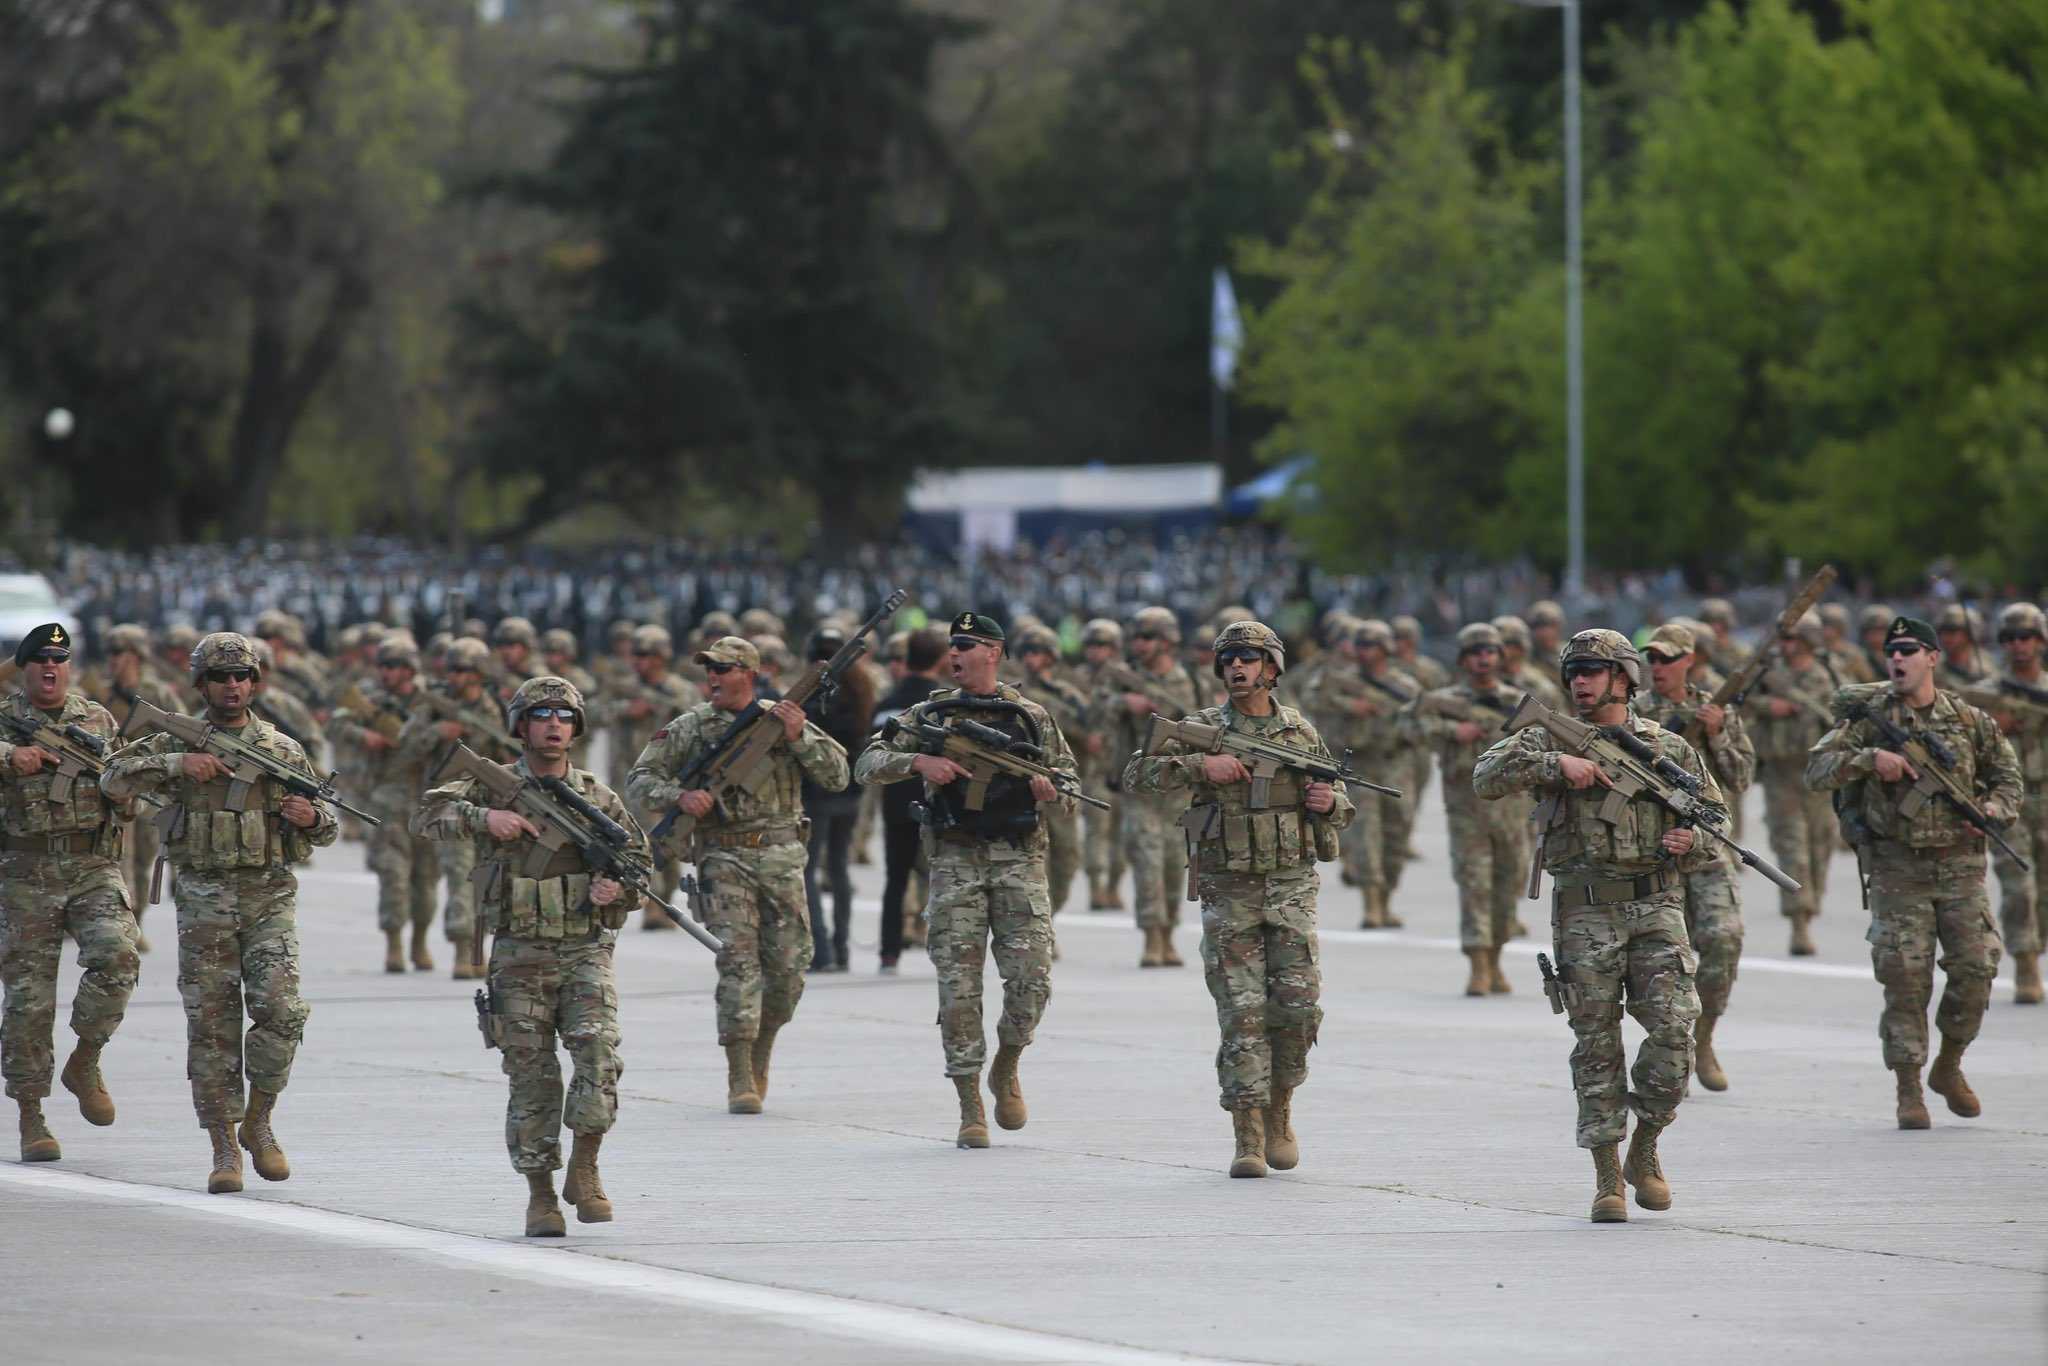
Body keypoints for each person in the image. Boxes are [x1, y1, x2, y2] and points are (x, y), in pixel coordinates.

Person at [1474, 629, 1718, 1223]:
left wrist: (1692, 841)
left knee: (1675, 1031)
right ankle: (1607, 1176)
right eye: (1573, 673)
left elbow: (1716, 818)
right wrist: (1556, 764)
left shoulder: (1667, 748)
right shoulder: (1547, 737)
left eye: (1592, 671)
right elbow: (1485, 776)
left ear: (1624, 679)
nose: (1579, 682)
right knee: (1596, 1044)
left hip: (1657, 905)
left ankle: (1646, 1143)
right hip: (1585, 910)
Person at [101, 632, 334, 1194]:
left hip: (268, 896)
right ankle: (223, 1145)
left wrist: (311, 819)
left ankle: (259, 1119)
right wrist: (179, 763)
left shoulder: (280, 749)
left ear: (255, 683)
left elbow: (327, 825)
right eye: (220, 677)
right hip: (204, 899)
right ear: (201, 685)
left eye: (241, 676)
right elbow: (111, 778)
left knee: (282, 1011)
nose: (232, 686)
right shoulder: (172, 740)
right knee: (211, 1024)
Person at [412, 676, 642, 1236]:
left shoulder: (599, 799)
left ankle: (585, 1165)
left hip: (586, 949)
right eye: (541, 715)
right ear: (521, 726)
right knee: (531, 1076)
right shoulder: (491, 786)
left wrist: (617, 890)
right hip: (518, 954)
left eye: (563, 716)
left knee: (599, 1056)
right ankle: (541, 1195)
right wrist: (484, 819)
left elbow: (639, 866)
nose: (553, 725)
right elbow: (426, 816)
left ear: (576, 728)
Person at [1123, 621, 1351, 1178]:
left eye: (1248, 658)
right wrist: (1200, 765)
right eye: (1228, 660)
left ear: (1272, 667)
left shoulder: (1299, 731)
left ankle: (1280, 1111)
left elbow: (1339, 795)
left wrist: (1329, 802)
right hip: (1229, 890)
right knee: (1241, 1014)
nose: (1236, 667)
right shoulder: (1202, 728)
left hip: (1291, 888)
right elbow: (1136, 773)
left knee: (1298, 1008)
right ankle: (1247, 1135)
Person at [854, 612, 1074, 1149]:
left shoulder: (1031, 716)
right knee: (958, 990)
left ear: (993, 652)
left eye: (966, 644)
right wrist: (918, 762)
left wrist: (1052, 790)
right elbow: (867, 762)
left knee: (1031, 983)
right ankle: (970, 1104)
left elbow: (1069, 785)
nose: (954, 652)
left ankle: (1008, 1062)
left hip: (1019, 862)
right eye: (952, 644)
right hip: (955, 863)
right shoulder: (929, 713)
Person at [1807, 615, 2021, 1129]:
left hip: (1960, 869)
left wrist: (1993, 810)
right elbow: (1816, 770)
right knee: (1904, 979)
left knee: (1977, 968)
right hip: (1897, 869)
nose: (1898, 658)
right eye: (1891, 651)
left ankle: (1949, 1064)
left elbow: (2007, 778)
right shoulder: (1868, 718)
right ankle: (1908, 1088)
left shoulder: (1968, 720)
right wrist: (1869, 759)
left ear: (1932, 658)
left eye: (1908, 649)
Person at [628, 636, 848, 1113]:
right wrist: (679, 797)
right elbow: (640, 780)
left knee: (788, 970)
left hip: (782, 860)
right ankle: (740, 1070)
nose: (713, 676)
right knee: (738, 963)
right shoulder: (690, 727)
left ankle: (762, 1043)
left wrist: (800, 736)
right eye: (709, 668)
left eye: (723, 668)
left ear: (750, 673)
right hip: (722, 858)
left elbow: (838, 776)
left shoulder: (782, 719)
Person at [0, 624, 138, 1163]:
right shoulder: (6, 718)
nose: (50, 668)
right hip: (24, 869)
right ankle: (30, 1113)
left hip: (91, 865)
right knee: (29, 999)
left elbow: (128, 791)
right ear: (24, 668)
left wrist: (125, 792)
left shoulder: (96, 719)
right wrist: (10, 757)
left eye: (59, 659)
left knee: (118, 954)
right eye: (40, 660)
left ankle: (86, 1057)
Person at [1633, 623, 1755, 1090]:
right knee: (1665, 962)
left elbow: (1741, 778)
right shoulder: (1634, 712)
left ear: (1690, 660)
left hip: (1707, 847)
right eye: (1652, 659)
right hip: (1654, 850)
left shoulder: (1716, 709)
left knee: (1724, 939)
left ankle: (1703, 1038)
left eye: (1667, 659)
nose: (1657, 667)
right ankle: (1673, 1049)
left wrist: (1718, 733)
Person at [1403, 624, 1528, 994]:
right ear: (1462, 659)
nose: (1483, 659)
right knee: (1474, 884)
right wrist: (1450, 731)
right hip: (1466, 810)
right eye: (1475, 652)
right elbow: (1407, 724)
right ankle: (1478, 964)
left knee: (1509, 885)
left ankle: (1497, 955)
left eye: (1490, 651)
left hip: (1512, 810)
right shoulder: (1442, 701)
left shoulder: (1519, 702)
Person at [398, 636, 518, 968]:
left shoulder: (497, 710)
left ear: (479, 672)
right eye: (451, 669)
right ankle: (462, 950)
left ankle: (478, 948)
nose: (453, 676)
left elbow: (512, 755)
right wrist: (437, 733)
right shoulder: (433, 707)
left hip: (490, 807)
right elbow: (404, 749)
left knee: (486, 880)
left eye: (462, 669)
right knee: (458, 874)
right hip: (449, 805)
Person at [329, 633, 442, 975]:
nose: (385, 672)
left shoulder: (434, 700)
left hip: (429, 799)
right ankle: (394, 943)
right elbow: (336, 723)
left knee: (426, 878)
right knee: (393, 875)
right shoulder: (370, 699)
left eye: (393, 665)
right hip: (387, 797)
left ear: (409, 669)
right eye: (382, 665)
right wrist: (365, 735)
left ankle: (419, 941)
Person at [1094, 606, 1199, 967]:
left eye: (1147, 637)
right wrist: (1123, 702)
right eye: (1135, 637)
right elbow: (1094, 711)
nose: (1139, 644)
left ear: (1167, 641)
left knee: (1174, 864)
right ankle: (1152, 936)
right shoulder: (1122, 678)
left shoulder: (1191, 680)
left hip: (1179, 787)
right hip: (1139, 785)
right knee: (1147, 861)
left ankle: (1169, 934)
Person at [83, 622, 183, 951]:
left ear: (136, 655)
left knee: (143, 860)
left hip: (151, 792)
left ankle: (136, 921)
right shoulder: (97, 692)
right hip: (114, 788)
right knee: (117, 859)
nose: (112, 659)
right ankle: (120, 925)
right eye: (109, 652)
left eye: (119, 652)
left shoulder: (157, 694)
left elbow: (183, 730)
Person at [1751, 611, 1837, 953]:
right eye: (1783, 638)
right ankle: (1798, 922)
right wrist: (1767, 705)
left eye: (1791, 638)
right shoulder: (1767, 674)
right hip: (1781, 773)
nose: (1784, 645)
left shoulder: (1827, 674)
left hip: (1818, 774)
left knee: (1819, 846)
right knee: (1791, 847)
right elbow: (1740, 705)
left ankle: (1811, 906)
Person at [606, 625, 699, 930]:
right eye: (636, 654)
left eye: (645, 654)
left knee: (669, 842)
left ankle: (665, 896)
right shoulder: (623, 687)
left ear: (661, 657)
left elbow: (696, 723)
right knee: (643, 841)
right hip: (631, 777)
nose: (638, 660)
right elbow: (592, 711)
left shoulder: (681, 690)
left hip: (670, 779)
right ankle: (653, 905)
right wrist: (626, 709)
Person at [1983, 603, 2048, 1003]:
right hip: (2008, 799)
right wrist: (1996, 728)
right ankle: (2026, 962)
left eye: (2026, 637)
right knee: (2017, 883)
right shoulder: (1986, 694)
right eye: (2010, 638)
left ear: (2040, 641)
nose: (2019, 645)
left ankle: (2036, 944)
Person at [801, 627, 875, 972]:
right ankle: (840, 948)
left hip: (818, 791)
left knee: (808, 870)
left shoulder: (818, 696)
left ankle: (822, 949)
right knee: (838, 868)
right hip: (851, 792)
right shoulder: (861, 690)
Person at [870, 628, 945, 972]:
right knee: (943, 879)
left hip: (896, 801)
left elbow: (873, 751)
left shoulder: (888, 703)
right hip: (937, 801)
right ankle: (945, 951)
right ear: (941, 660)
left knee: (895, 880)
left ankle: (889, 953)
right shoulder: (943, 704)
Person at [1013, 625, 1090, 921]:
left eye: (1037, 652)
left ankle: (1049, 915)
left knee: (1067, 859)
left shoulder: (1067, 695)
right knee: (1035, 861)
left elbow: (1090, 732)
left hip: (1061, 784)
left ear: (1050, 656)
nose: (1030, 658)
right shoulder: (1014, 694)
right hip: (1027, 786)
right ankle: (1038, 924)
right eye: (1026, 652)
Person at [1077, 619, 1129, 910]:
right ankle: (1096, 887)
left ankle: (1113, 886)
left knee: (1121, 832)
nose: (1096, 650)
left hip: (1122, 765)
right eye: (1092, 645)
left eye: (1103, 645)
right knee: (1096, 829)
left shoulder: (1127, 678)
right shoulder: (1077, 679)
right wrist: (1084, 736)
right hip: (1093, 767)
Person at [1934, 605, 1993, 688]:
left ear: (1970, 634)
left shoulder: (1987, 667)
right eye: (1941, 632)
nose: (1944, 637)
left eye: (1952, 631)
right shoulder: (1933, 666)